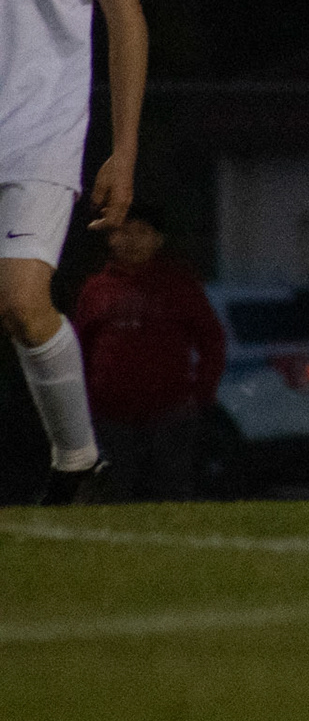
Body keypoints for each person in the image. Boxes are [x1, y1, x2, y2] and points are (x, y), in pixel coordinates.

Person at [0, 0, 149, 506]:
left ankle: (76, 460)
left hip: (39, 129)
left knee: (23, 302)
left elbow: (124, 15)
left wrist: (123, 149)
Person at [70, 202, 226, 502]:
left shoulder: (179, 285)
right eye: (124, 232)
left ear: (158, 239)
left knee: (171, 493)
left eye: (142, 232)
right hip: (110, 416)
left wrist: (201, 393)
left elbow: (211, 340)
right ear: (111, 238)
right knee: (113, 495)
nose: (132, 240)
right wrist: (85, 401)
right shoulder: (97, 288)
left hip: (170, 413)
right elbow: (80, 349)